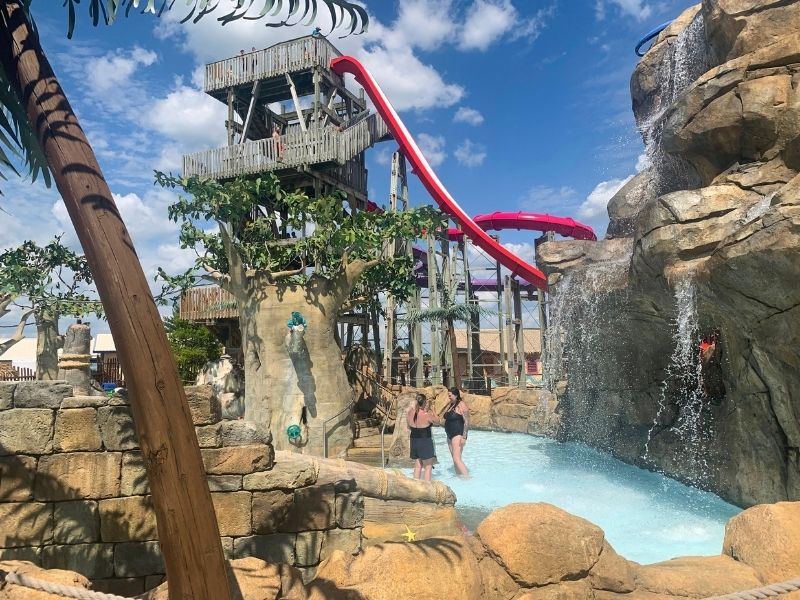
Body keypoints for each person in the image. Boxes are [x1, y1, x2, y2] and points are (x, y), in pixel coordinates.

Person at [407, 393, 439, 481]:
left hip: (414, 440)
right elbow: (437, 422)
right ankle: (427, 488)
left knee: (418, 465)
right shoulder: (426, 414)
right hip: (424, 441)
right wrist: (433, 411)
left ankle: (415, 486)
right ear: (424, 402)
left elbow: (409, 426)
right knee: (428, 467)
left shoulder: (410, 412)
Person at [442, 387, 470, 477]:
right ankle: (459, 477)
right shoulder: (451, 404)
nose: (448, 397)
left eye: (450, 395)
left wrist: (464, 437)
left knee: (457, 458)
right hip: (449, 434)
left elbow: (466, 422)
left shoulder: (461, 405)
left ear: (456, 395)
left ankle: (468, 478)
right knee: (454, 459)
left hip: (458, 433)